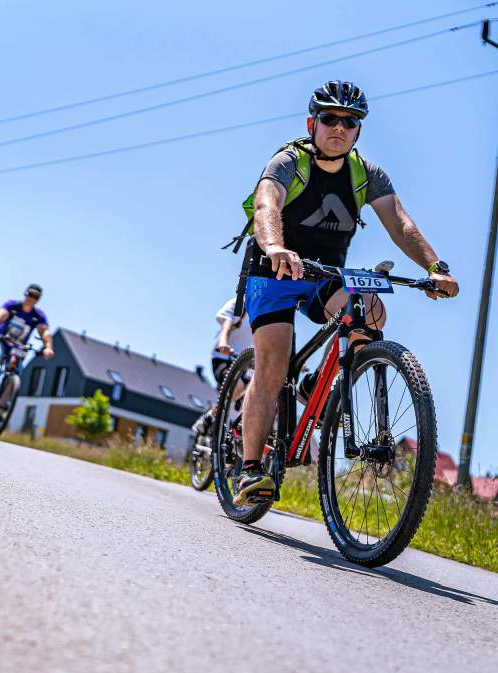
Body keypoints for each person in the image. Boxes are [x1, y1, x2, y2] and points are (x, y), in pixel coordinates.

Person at [233, 80, 459, 506]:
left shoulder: (366, 174)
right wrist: (277, 247)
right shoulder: (289, 161)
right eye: (330, 118)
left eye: (350, 121)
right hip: (274, 271)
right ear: (312, 123)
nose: (339, 127)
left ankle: (319, 382)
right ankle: (249, 470)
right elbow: (266, 205)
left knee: (370, 311)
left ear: (358, 130)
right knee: (273, 365)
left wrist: (435, 267)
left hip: (325, 274)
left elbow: (401, 224)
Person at [0, 283, 54, 408]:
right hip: (1, 339)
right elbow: (0, 315)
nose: (32, 298)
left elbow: (44, 332)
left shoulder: (38, 316)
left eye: (36, 297)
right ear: (25, 294)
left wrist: (48, 347)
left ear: (38, 299)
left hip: (18, 347)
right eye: (30, 294)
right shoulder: (13, 305)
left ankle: (0, 409)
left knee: (16, 372)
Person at [192, 301, 253, 436]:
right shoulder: (239, 305)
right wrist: (223, 343)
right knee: (236, 386)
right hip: (225, 358)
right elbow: (227, 326)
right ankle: (210, 416)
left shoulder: (265, 310)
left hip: (248, 363)